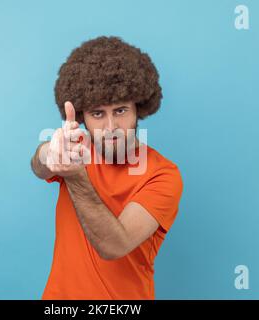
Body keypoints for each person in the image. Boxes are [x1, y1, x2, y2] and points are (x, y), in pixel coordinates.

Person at [31, 36, 183, 299]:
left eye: (121, 110)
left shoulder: (163, 175)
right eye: (98, 114)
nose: (111, 126)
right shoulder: (76, 149)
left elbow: (115, 245)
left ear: (139, 109)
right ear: (83, 118)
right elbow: (39, 166)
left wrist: (76, 178)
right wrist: (48, 153)